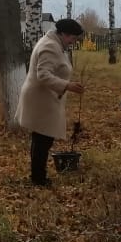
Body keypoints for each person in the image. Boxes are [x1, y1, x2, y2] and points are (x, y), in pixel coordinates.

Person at [15, 18, 86, 187]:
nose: (73, 42)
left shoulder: (54, 43)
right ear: (64, 34)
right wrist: (67, 85)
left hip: (45, 98)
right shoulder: (50, 46)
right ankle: (38, 178)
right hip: (41, 99)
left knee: (41, 139)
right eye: (72, 38)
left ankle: (37, 176)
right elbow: (43, 75)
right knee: (43, 139)